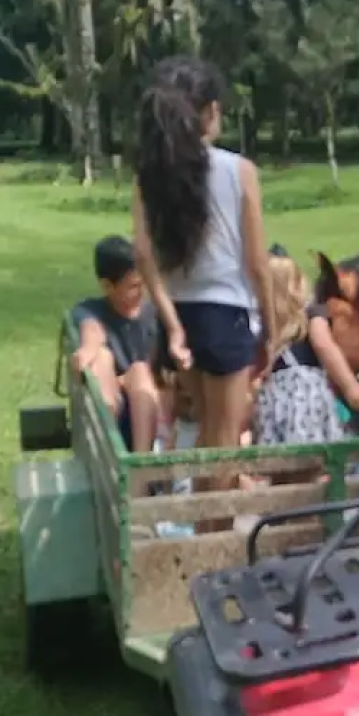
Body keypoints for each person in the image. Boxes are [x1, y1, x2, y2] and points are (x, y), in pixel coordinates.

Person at [130, 54, 276, 505]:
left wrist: (171, 323)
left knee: (205, 433)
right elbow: (256, 262)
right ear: (210, 112)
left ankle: (199, 538)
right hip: (228, 317)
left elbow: (143, 256)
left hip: (182, 321)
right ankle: (212, 548)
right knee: (225, 441)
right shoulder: (238, 171)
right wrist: (270, 327)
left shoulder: (149, 177)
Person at [252, 250, 359, 448]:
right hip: (308, 398)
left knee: (278, 459)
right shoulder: (312, 314)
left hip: (273, 401)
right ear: (298, 283)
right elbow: (324, 346)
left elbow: (256, 365)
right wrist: (351, 386)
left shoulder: (259, 320)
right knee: (316, 454)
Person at [69, 235, 160, 454]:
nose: (141, 292)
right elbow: (92, 332)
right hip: (118, 403)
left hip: (150, 402)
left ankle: (140, 466)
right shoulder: (92, 312)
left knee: (139, 370)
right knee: (101, 356)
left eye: (142, 285)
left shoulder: (154, 315)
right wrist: (85, 354)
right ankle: (108, 454)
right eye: (133, 286)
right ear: (107, 286)